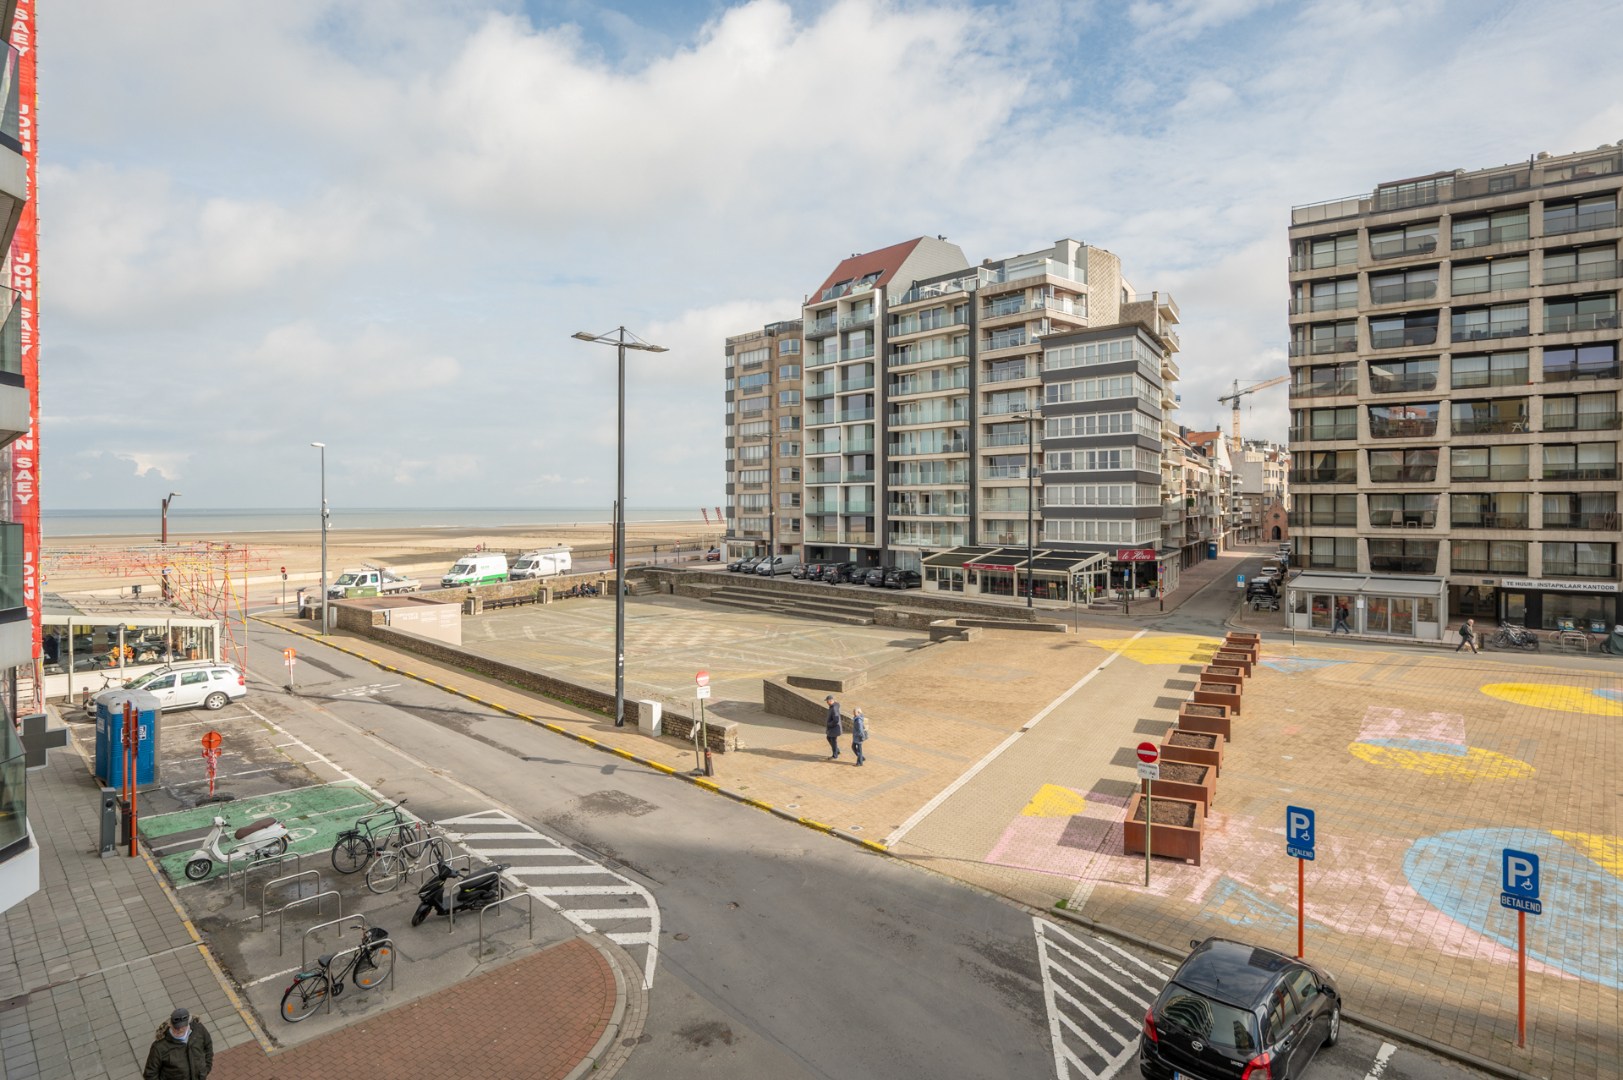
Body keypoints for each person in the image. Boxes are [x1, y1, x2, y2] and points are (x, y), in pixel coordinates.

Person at [144, 1007, 212, 1079]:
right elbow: (150, 1074)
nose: (179, 1029)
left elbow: (208, 1047)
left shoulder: (199, 1029)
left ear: (188, 1023)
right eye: (176, 1027)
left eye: (183, 1027)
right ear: (170, 1024)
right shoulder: (159, 1047)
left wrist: (205, 1070)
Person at [823, 694, 843, 760]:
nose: (826, 702)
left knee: (833, 741)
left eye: (827, 701)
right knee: (829, 738)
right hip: (834, 728)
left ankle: (835, 755)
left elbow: (836, 720)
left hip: (834, 728)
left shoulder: (834, 708)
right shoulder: (833, 706)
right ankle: (837, 751)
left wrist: (829, 724)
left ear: (830, 701)